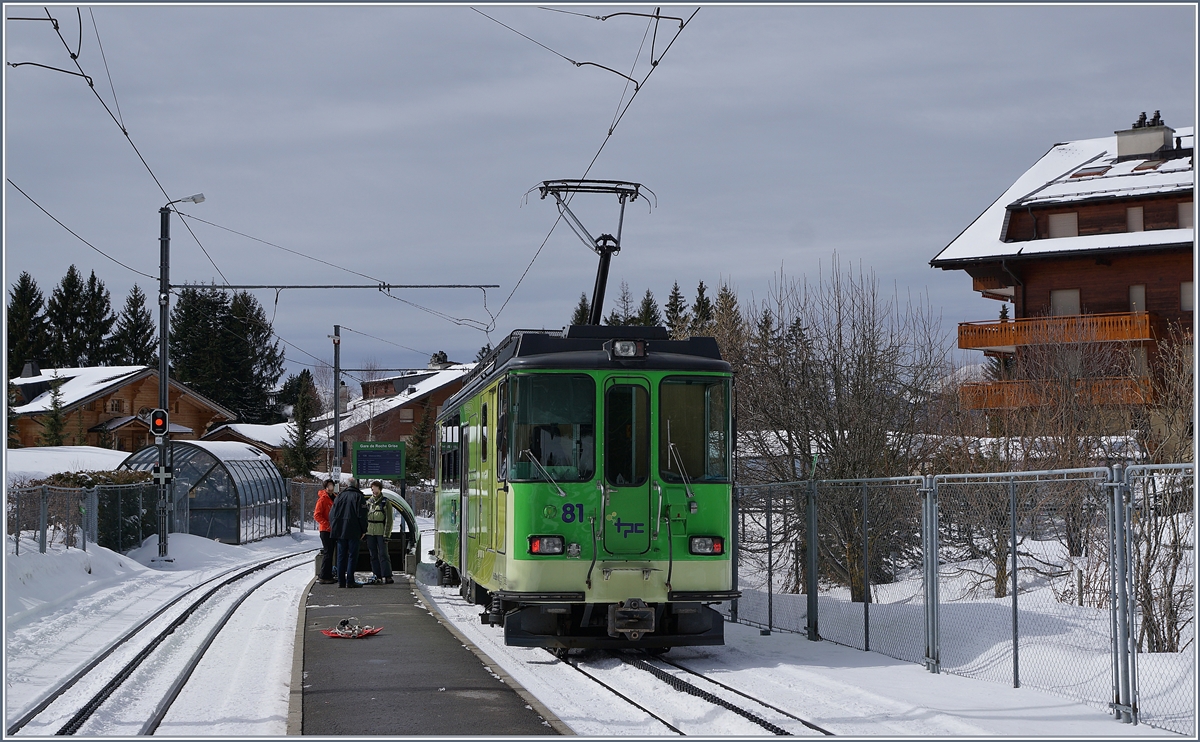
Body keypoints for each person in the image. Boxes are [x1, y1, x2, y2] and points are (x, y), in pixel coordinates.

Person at [329, 479, 368, 588]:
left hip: (340, 531)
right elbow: (362, 515)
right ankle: (350, 580)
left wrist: (335, 527)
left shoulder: (339, 497)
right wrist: (364, 530)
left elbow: (332, 514)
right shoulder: (359, 497)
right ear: (356, 485)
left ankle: (341, 581)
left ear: (346, 485)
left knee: (341, 556)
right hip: (354, 531)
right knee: (352, 556)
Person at [364, 481, 395, 584]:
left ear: (380, 489)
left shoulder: (385, 502)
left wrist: (387, 535)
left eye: (376, 488)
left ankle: (387, 575)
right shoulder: (369, 502)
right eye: (373, 489)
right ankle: (377, 575)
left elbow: (389, 520)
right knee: (373, 555)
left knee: (383, 554)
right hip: (370, 532)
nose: (374, 491)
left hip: (381, 532)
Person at [313, 479, 337, 584]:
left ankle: (328, 574)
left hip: (333, 529)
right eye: (329, 486)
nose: (331, 488)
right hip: (325, 530)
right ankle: (324, 575)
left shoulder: (335, 498)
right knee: (328, 552)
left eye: (332, 486)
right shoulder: (322, 500)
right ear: (325, 488)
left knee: (331, 552)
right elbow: (317, 515)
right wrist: (327, 524)